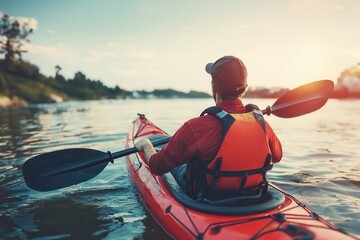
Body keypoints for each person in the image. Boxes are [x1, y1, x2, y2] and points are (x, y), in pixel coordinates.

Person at [135, 56, 282, 202]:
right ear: (244, 88)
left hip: (208, 198)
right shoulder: (263, 125)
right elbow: (277, 156)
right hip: (253, 194)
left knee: (179, 163)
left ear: (214, 86)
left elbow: (156, 166)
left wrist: (147, 145)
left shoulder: (196, 127)